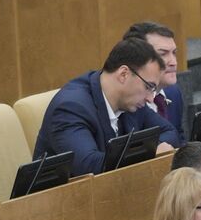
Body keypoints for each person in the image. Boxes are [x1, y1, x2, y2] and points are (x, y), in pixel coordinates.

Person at [33, 37, 179, 176]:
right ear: (124, 74)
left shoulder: (130, 100)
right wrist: (149, 152)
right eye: (149, 86)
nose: (150, 98)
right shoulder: (71, 108)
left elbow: (169, 131)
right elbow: (89, 167)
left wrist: (156, 147)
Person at [123, 21, 185, 139]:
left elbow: (179, 138)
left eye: (174, 53)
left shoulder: (173, 92)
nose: (173, 62)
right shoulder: (128, 102)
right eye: (163, 54)